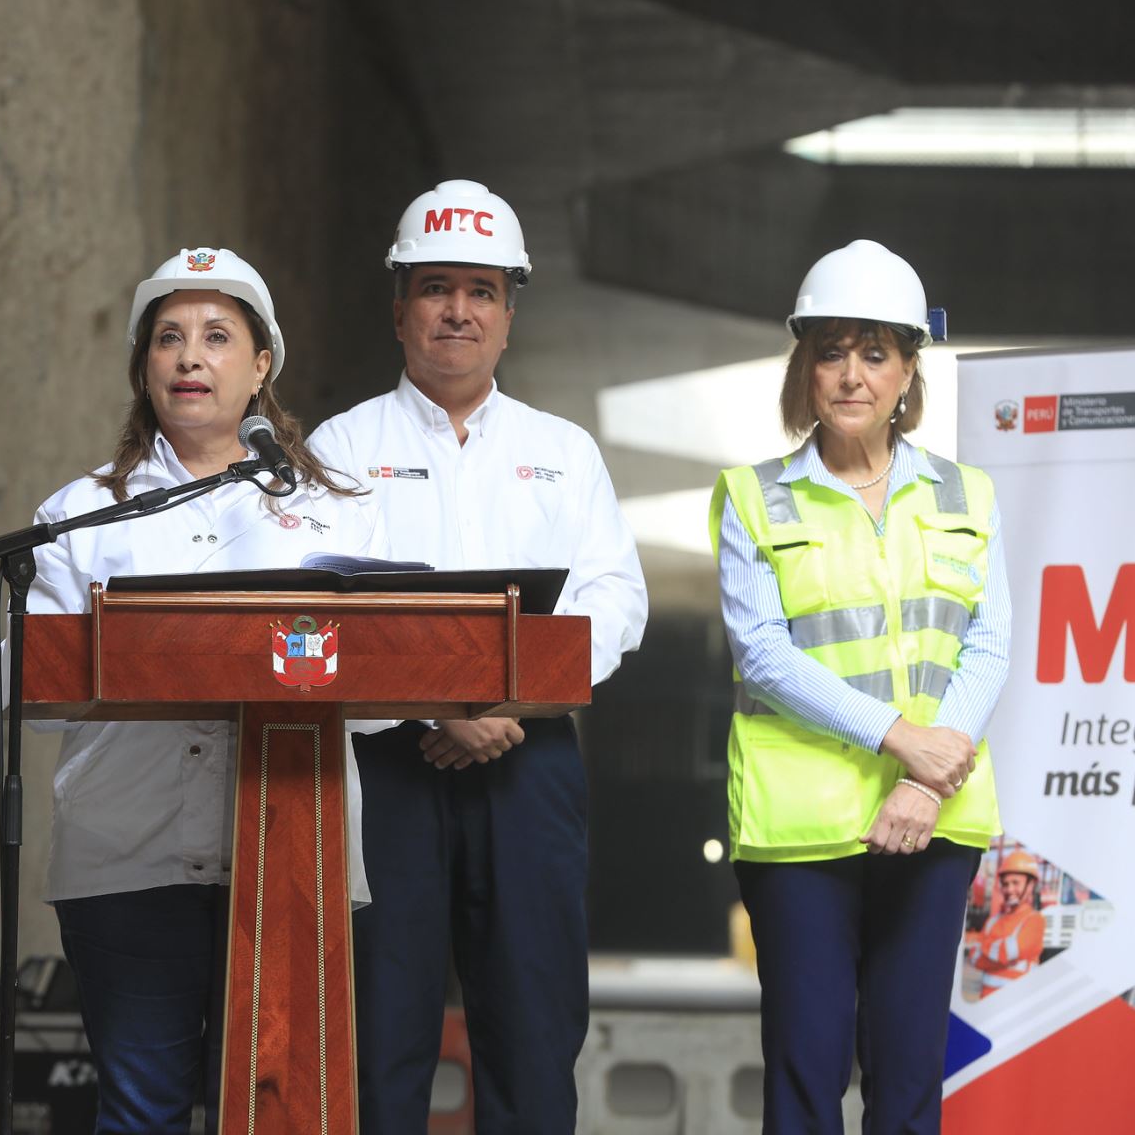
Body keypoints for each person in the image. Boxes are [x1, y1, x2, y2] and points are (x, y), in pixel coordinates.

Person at [307, 180, 648, 1134]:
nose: (458, 309)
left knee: (534, 1033)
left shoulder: (563, 452)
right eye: (436, 287)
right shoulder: (339, 450)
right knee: (380, 1033)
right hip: (386, 768)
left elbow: (614, 603)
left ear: (509, 315)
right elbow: (321, 619)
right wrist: (433, 706)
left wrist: (507, 706)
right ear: (400, 308)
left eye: (482, 290)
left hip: (530, 765)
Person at [29, 247, 385, 1133]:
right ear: (144, 369)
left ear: (260, 366)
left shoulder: (341, 511)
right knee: (140, 1112)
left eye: (218, 337)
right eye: (169, 339)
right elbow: (29, 688)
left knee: (281, 1112)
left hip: (290, 851)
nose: (191, 357)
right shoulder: (79, 514)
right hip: (127, 858)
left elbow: (382, 693)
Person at [710, 238, 1010, 1132]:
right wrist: (901, 738)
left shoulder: (968, 494)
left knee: (911, 1074)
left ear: (909, 369)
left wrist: (924, 780)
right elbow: (762, 652)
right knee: (804, 1076)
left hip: (932, 820)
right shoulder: (755, 497)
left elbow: (988, 646)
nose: (851, 374)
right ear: (805, 366)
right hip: (801, 833)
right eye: (832, 351)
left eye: (875, 352)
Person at [968, 849, 1045, 997]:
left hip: (1017, 1005)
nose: (1009, 889)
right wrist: (1003, 955)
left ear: (1031, 885)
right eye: (1005, 883)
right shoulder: (993, 921)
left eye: (1015, 883)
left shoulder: (1035, 920)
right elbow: (974, 957)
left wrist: (986, 946)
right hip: (986, 1005)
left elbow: (1007, 952)